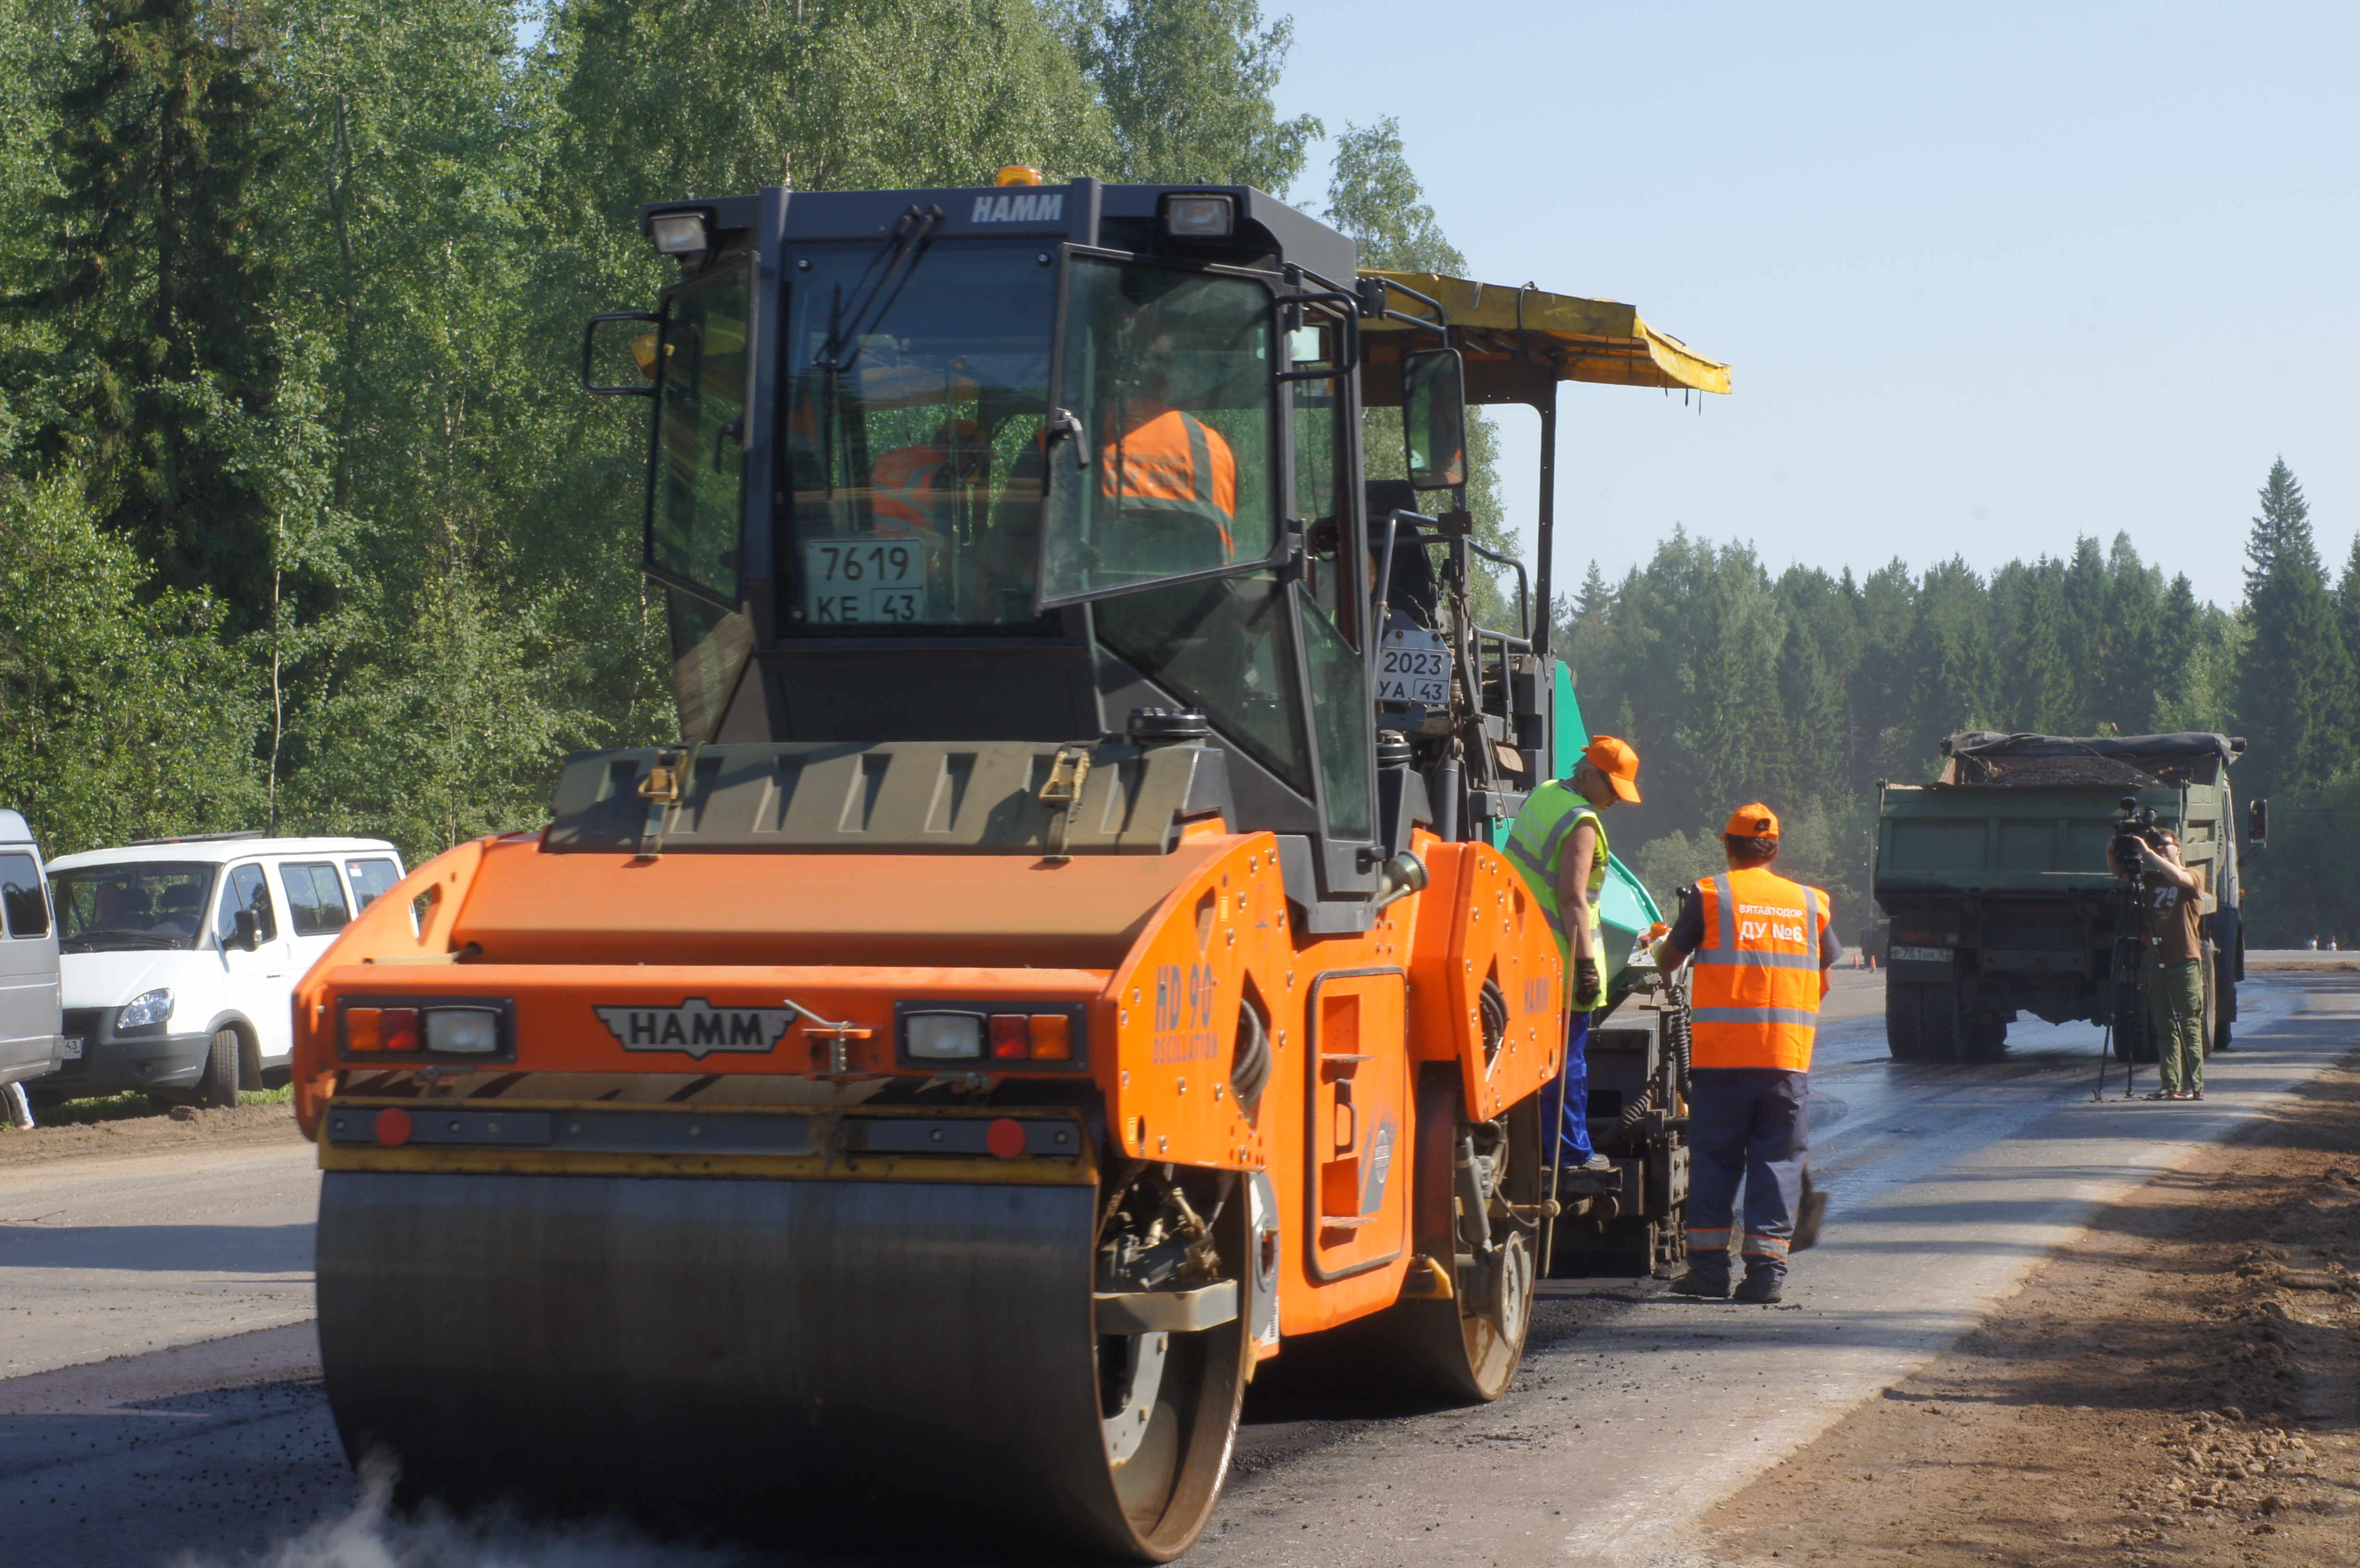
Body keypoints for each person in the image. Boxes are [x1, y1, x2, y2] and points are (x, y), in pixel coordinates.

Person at [1652, 805, 1842, 1303]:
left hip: (1722, 1058)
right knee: (1777, 1161)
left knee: (1715, 1160)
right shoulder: (1809, 903)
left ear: (1728, 847)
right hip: (1785, 1057)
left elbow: (1670, 960)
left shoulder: (1711, 894)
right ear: (1774, 849)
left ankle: (1709, 1272)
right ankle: (1765, 1277)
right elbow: (1826, 961)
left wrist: (1663, 944)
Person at [1504, 735, 1645, 1174]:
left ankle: (1524, 1148)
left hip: (1519, 948)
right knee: (1568, 1064)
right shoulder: (1582, 822)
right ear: (1588, 775)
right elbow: (1572, 899)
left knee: (1526, 1057)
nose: (1617, 802)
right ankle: (1572, 1154)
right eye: (1614, 789)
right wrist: (1586, 965)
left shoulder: (1546, 793)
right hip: (1559, 961)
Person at [2112, 828, 2207, 1100]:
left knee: (2188, 1025)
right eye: (2157, 846)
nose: (2161, 849)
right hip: (2158, 961)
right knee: (2164, 1027)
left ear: (2178, 848)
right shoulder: (2151, 879)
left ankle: (2193, 1085)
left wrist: (2150, 853)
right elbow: (2117, 872)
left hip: (2186, 962)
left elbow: (2178, 877)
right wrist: (2114, 847)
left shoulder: (2194, 876)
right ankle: (2170, 1083)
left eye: (2166, 845)